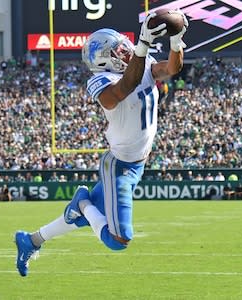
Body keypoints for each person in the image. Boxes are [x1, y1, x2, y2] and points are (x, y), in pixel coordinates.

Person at [14, 10, 188, 277]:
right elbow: (120, 92)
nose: (126, 50)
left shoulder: (140, 64)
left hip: (136, 164)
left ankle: (32, 240)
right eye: (119, 50)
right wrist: (142, 47)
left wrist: (177, 41)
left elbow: (171, 68)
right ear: (106, 59)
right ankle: (81, 202)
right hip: (119, 166)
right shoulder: (100, 80)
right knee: (118, 239)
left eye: (124, 46)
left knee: (87, 217)